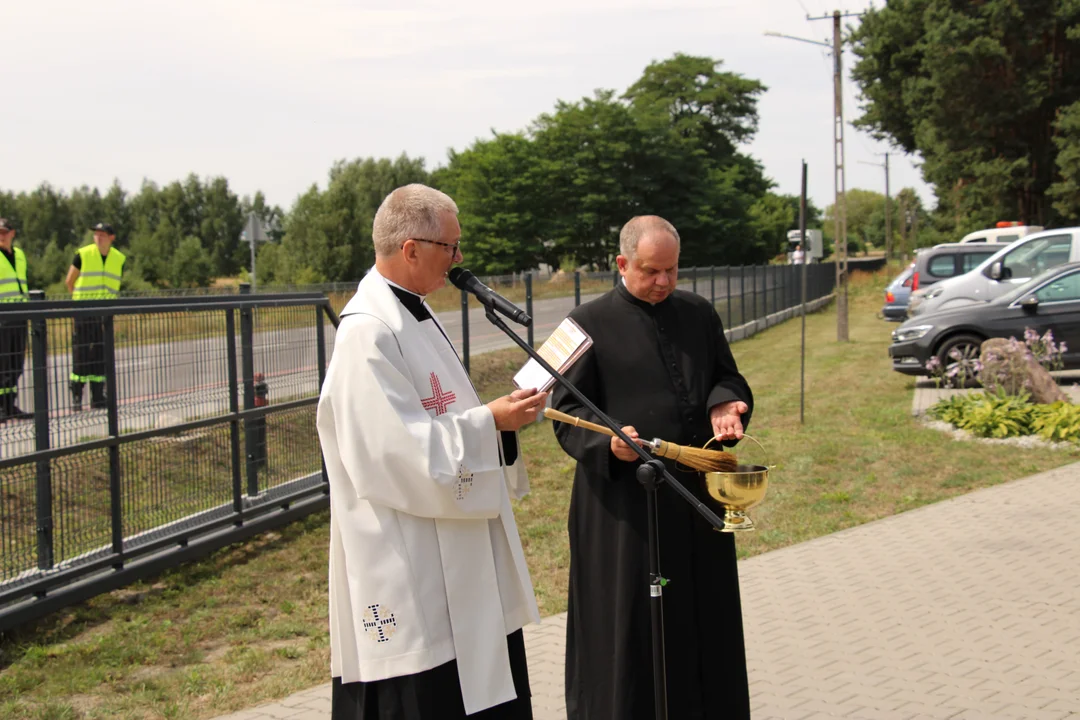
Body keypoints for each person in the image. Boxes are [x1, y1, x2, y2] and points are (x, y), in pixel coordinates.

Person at [316, 184, 547, 719]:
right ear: (411, 248)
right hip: (411, 562)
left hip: (456, 552)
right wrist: (490, 422)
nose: (460, 259)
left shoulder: (415, 313)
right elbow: (393, 456)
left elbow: (441, 416)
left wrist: (497, 423)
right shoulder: (368, 334)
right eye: (451, 246)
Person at [552, 215, 754, 720]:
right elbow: (564, 415)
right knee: (632, 627)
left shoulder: (699, 314)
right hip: (623, 510)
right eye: (650, 270)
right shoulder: (583, 324)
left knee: (704, 619)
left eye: (671, 270)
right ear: (621, 264)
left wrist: (725, 405)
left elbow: (726, 377)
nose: (663, 281)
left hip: (695, 499)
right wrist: (610, 447)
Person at [65, 222, 126, 410]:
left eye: (103, 235)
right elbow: (70, 281)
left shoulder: (118, 258)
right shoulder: (83, 254)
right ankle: (77, 395)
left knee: (101, 354)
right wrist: (80, 302)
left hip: (105, 314)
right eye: (96, 234)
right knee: (81, 353)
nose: (98, 237)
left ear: (111, 238)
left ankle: (98, 396)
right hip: (84, 312)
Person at [0, 217, 32, 421]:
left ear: (12, 234)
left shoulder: (19, 255)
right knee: (1, 363)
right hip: (1, 317)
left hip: (19, 316)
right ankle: (1, 408)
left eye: (4, 232)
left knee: (15, 363)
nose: (1, 236)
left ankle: (9, 405)